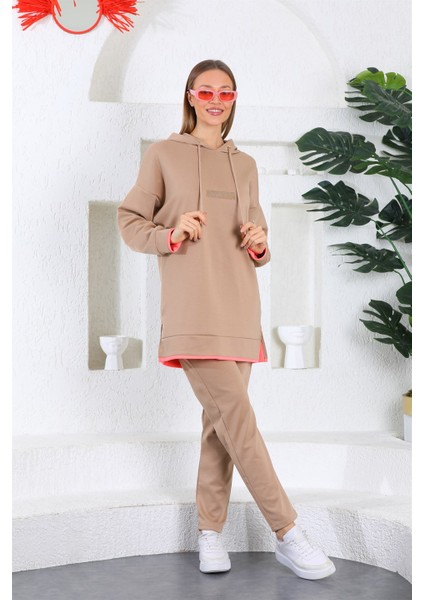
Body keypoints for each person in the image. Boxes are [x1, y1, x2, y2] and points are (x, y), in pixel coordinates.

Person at [117, 59, 336, 580]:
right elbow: (129, 222)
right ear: (190, 96)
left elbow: (256, 238)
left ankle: (209, 533)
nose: (216, 100)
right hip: (192, 310)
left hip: (239, 308)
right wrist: (171, 233)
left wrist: (260, 242)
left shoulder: (246, 165)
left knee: (221, 427)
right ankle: (288, 532)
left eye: (226, 92)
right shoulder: (163, 154)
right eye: (206, 91)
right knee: (238, 420)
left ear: (234, 100)